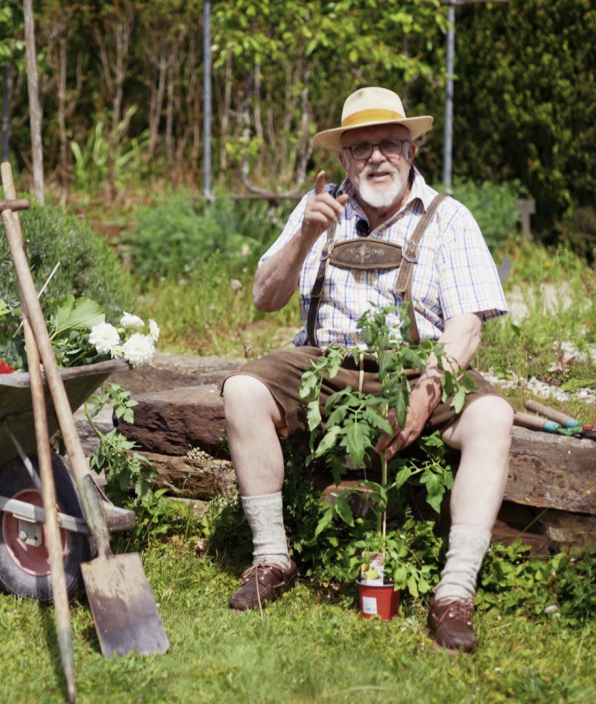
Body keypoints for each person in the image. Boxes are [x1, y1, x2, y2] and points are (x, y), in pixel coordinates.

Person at [220, 86, 513, 652]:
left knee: (493, 418)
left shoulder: (449, 219)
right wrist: (305, 235)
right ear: (343, 160)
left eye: (389, 144)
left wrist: (428, 390)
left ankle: (454, 592)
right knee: (242, 390)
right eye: (361, 148)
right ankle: (271, 558)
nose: (376, 157)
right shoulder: (319, 210)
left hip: (418, 364)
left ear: (412, 151)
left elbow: (467, 326)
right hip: (323, 366)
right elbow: (264, 298)